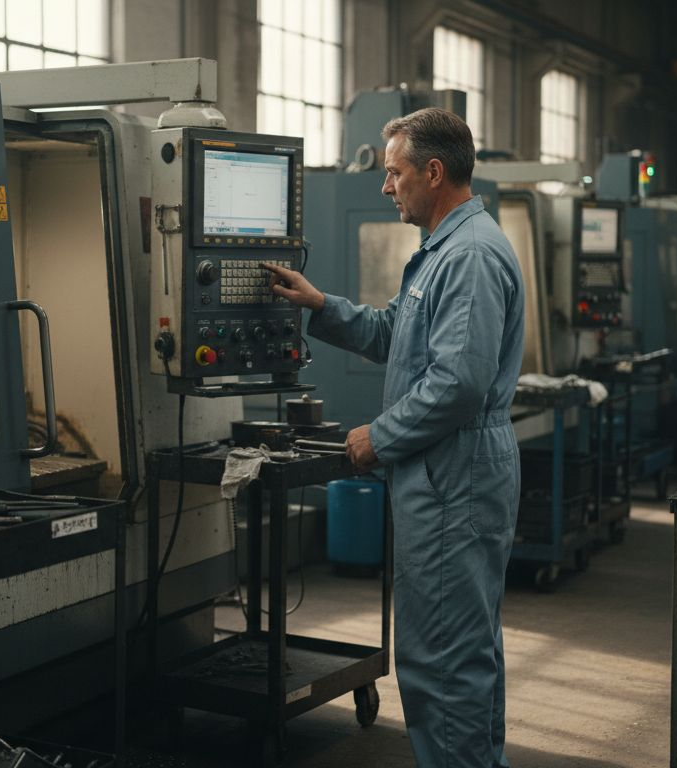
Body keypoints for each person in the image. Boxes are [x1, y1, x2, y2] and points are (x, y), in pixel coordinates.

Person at [263, 108, 524, 768]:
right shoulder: (444, 250)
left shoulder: (467, 255)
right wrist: (321, 306)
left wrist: (379, 437)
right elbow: (394, 335)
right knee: (462, 651)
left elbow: (459, 383)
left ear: (433, 173)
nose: (386, 187)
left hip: (454, 478)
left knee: (442, 663)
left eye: (394, 172)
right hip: (451, 474)